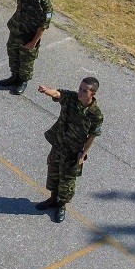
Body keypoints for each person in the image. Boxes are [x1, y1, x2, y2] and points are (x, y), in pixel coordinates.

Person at [35, 78, 103, 223]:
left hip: (74, 150)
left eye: (84, 90)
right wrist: (47, 91)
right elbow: (58, 94)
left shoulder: (95, 114)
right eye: (80, 88)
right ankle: (53, 199)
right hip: (59, 143)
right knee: (53, 171)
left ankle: (61, 205)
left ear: (93, 94)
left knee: (67, 179)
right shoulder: (72, 98)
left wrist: (83, 154)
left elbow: (93, 135)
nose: (80, 92)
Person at [0, 0, 52, 94]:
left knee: (26, 62)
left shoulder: (45, 5)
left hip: (29, 37)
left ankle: (22, 81)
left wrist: (33, 43)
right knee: (13, 55)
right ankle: (14, 77)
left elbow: (42, 27)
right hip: (16, 30)